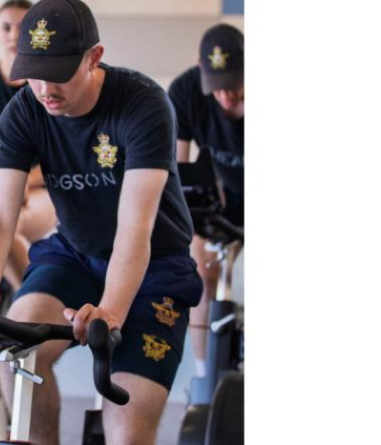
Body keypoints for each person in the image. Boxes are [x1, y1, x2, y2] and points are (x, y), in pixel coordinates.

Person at [0, 0, 203, 443]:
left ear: (94, 57)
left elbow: (136, 227)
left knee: (126, 430)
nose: (43, 88)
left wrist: (112, 310)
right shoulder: (24, 110)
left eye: (57, 72)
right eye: (33, 72)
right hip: (75, 255)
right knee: (16, 355)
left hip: (155, 266)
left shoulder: (143, 104)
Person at [168, 23, 244, 378]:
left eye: (236, 87)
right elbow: (176, 172)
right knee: (198, 275)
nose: (227, 97)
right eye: (218, 89)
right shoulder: (185, 92)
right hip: (216, 202)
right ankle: (204, 380)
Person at [0, 0, 57, 291]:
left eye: (22, 29)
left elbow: (61, 156)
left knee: (8, 227)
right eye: (6, 27)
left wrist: (20, 185)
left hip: (40, 189)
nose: (12, 35)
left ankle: (30, 303)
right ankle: (22, 304)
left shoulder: (48, 89)